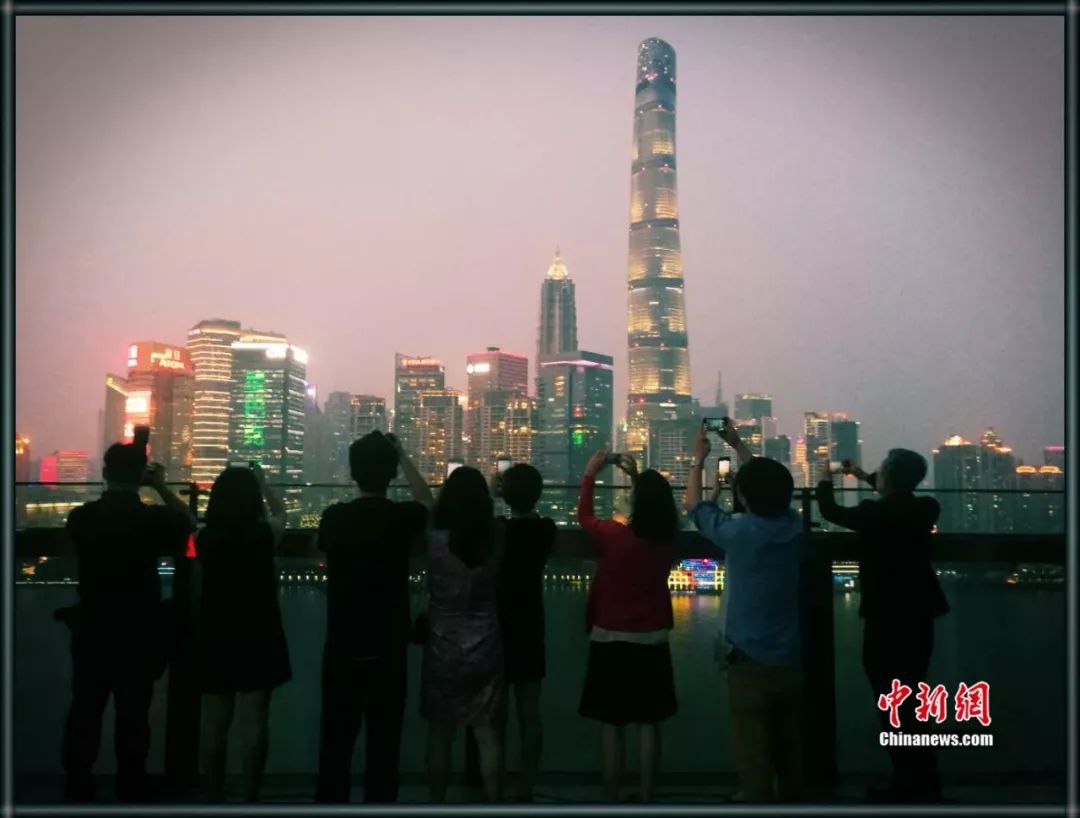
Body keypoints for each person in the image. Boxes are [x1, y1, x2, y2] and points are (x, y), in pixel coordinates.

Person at [61, 442, 193, 802]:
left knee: (85, 708)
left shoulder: (82, 517)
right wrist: (160, 486)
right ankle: (131, 785)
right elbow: (188, 521)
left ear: (105, 474)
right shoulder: (152, 519)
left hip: (92, 627)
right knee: (134, 713)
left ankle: (77, 783)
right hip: (139, 629)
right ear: (140, 476)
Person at [817, 449, 949, 803]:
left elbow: (829, 511)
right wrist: (862, 475)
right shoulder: (926, 508)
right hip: (919, 615)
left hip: (885, 618)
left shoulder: (871, 514)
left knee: (892, 703)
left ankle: (907, 783)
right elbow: (898, 496)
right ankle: (925, 781)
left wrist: (825, 476)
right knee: (914, 698)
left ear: (888, 477)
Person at [685, 420, 805, 804]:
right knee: (790, 743)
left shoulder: (739, 534)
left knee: (752, 745)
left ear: (743, 496)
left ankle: (755, 800)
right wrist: (738, 446)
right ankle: (793, 799)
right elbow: (767, 489)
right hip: (791, 655)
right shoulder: (794, 527)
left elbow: (695, 507)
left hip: (747, 658)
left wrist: (697, 460)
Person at [314, 431, 432, 803]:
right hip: (388, 646)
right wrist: (402, 453)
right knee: (384, 746)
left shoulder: (334, 518)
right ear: (392, 473)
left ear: (353, 473)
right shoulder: (400, 518)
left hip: (342, 645)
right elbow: (427, 502)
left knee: (335, 744)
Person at [577, 450, 678, 803]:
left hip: (610, 636)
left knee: (611, 723)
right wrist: (637, 478)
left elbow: (584, 516)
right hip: (652, 638)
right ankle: (648, 798)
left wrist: (590, 472)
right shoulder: (666, 542)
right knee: (648, 722)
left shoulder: (615, 536)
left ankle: (611, 797)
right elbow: (651, 508)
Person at [196, 464, 291, 802]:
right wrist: (264, 484)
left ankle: (214, 797)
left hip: (215, 632)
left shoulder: (205, 538)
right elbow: (281, 514)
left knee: (213, 724)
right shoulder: (265, 535)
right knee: (254, 723)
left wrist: (163, 488)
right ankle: (250, 797)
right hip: (259, 633)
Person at [422, 466, 504, 803]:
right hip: (487, 644)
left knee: (440, 734)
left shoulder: (434, 541)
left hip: (441, 644)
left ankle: (437, 805)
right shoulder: (495, 540)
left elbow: (426, 503)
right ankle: (494, 804)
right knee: (487, 734)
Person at [492, 463, 556, 802]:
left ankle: (495, 783)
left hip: (497, 625)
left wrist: (492, 494)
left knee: (496, 715)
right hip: (531, 624)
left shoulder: (498, 531)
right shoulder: (545, 530)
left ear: (505, 495)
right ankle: (526, 787)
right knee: (530, 713)